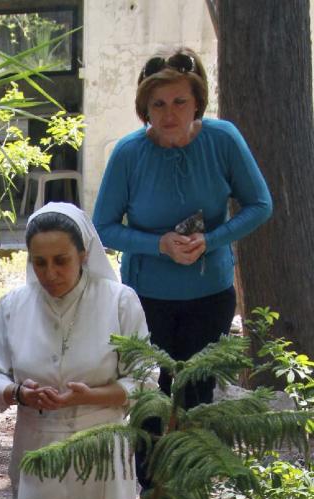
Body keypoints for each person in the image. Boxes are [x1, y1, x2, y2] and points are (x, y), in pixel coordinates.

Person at [93, 47, 272, 457]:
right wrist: (158, 245)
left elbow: (260, 204)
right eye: (158, 104)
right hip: (146, 298)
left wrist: (212, 239)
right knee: (151, 403)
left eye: (179, 102)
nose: (169, 113)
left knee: (195, 402)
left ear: (197, 103)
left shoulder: (223, 139)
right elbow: (102, 226)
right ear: (144, 108)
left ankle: (189, 497)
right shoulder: (128, 153)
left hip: (209, 296)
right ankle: (151, 497)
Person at [0, 202, 150, 499]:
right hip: (37, 435)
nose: (50, 274)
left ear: (84, 255)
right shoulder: (14, 306)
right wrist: (19, 392)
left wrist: (90, 396)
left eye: (61, 261)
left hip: (100, 435)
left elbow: (144, 378)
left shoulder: (120, 301)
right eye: (39, 263)